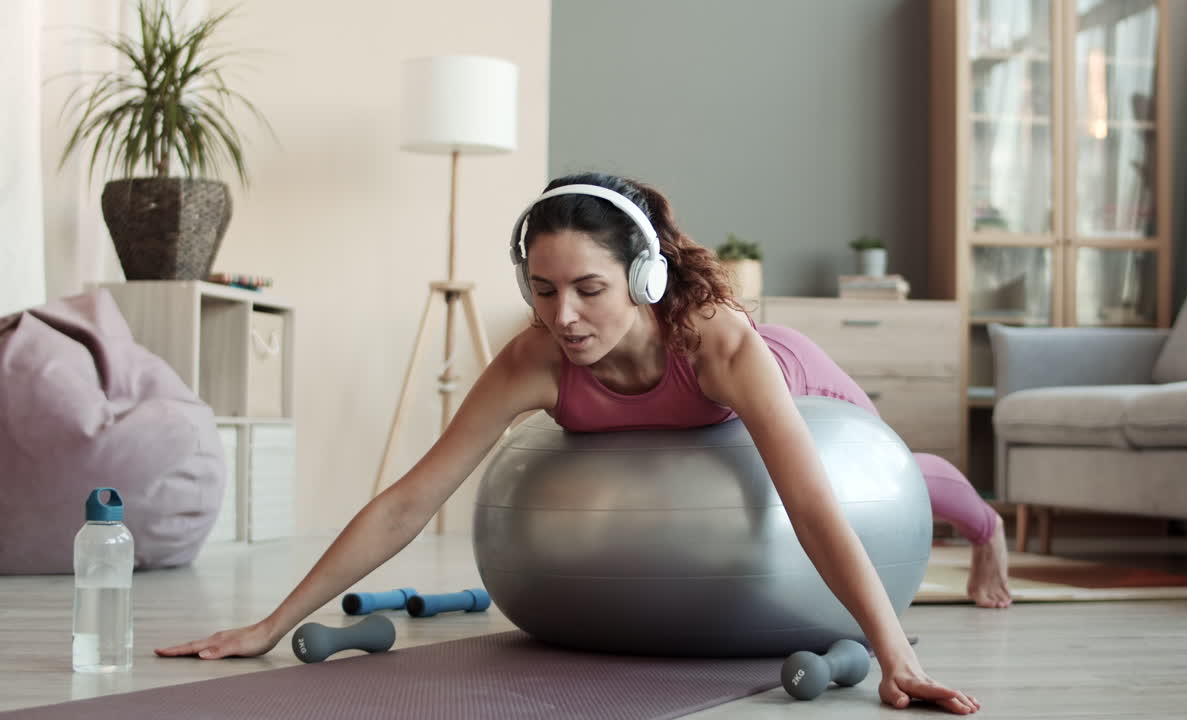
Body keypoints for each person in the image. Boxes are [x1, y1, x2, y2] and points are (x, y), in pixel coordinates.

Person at [159, 172, 1004, 715]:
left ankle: (987, 529)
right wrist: (269, 625)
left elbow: (814, 504)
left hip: (799, 391)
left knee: (898, 476)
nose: (564, 316)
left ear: (644, 280)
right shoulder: (534, 358)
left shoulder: (717, 343)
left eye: (590, 289)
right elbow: (415, 496)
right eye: (543, 289)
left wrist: (894, 657)